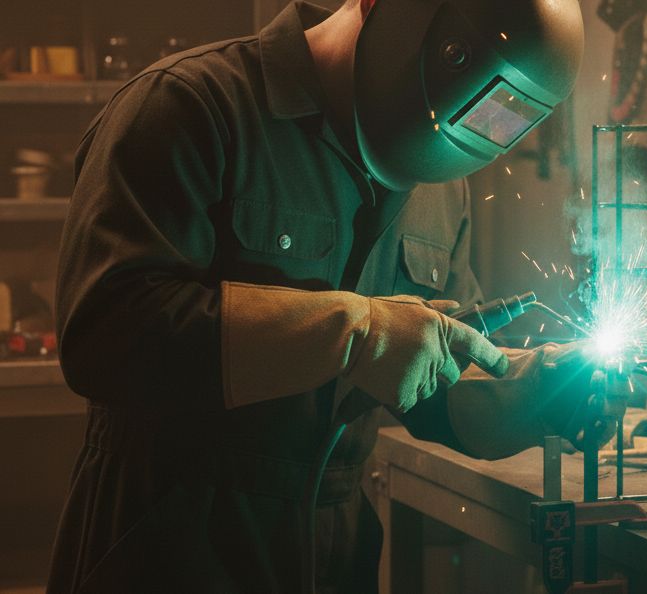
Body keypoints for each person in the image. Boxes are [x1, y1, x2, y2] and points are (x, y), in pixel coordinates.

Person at [46, 1, 609, 592]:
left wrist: (535, 393)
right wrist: (357, 335)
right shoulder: (189, 106)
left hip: (333, 550)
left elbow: (437, 380)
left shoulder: (441, 190)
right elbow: (105, 334)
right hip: (170, 542)